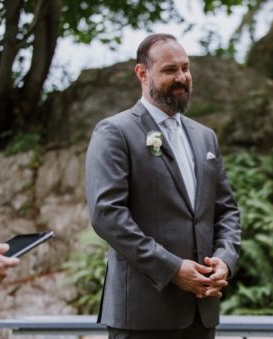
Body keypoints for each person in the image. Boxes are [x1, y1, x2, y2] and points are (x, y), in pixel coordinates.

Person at [84, 33, 241, 338]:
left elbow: (226, 210)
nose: (182, 77)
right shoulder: (115, 132)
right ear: (142, 73)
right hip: (143, 315)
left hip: (201, 313)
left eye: (186, 68)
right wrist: (172, 269)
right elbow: (107, 215)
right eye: (170, 70)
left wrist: (225, 259)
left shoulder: (205, 136)